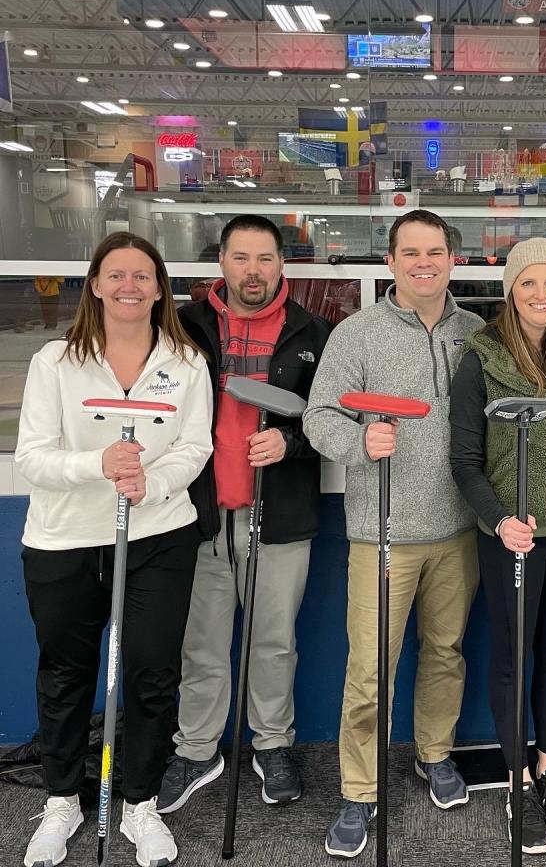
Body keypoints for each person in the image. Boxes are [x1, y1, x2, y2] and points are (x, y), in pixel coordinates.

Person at [15, 232, 213, 867]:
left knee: (153, 673)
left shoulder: (186, 363)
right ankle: (63, 801)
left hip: (160, 535)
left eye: (143, 276)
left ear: (160, 288)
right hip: (64, 539)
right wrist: (96, 464)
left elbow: (196, 445)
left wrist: (150, 481)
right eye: (116, 275)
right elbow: (32, 459)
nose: (130, 286)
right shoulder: (55, 362)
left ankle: (142, 803)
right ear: (94, 285)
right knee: (67, 675)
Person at [303, 209, 483, 859]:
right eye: (411, 253)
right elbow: (318, 416)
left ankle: (433, 756)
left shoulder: (475, 332)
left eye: (435, 251)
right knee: (370, 671)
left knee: (445, 654)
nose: (424, 263)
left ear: (452, 259)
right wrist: (358, 440)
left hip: (458, 531)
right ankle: (359, 790)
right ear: (391, 262)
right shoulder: (357, 334)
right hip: (380, 536)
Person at [157, 214, 331, 813]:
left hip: (278, 516)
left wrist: (291, 441)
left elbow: (329, 419)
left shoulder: (314, 332)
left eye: (264, 259)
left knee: (274, 641)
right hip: (201, 515)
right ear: (221, 262)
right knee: (201, 643)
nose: (252, 272)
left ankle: (271, 744)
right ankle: (198, 748)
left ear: (281, 263)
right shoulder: (182, 328)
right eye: (240, 258)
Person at [449, 237, 546, 855]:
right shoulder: (480, 358)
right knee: (512, 658)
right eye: (528, 283)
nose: (541, 295)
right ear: (510, 290)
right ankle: (516, 782)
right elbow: (463, 461)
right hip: (513, 536)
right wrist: (497, 519)